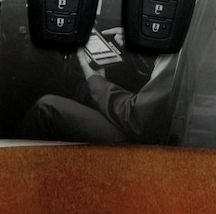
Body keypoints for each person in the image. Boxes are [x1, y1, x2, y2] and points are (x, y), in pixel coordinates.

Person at [15, 28, 178, 145]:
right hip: (152, 130)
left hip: (149, 144)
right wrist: (143, 51)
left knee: (46, 108)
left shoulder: (182, 50)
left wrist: (95, 79)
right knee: (83, 92)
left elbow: (137, 119)